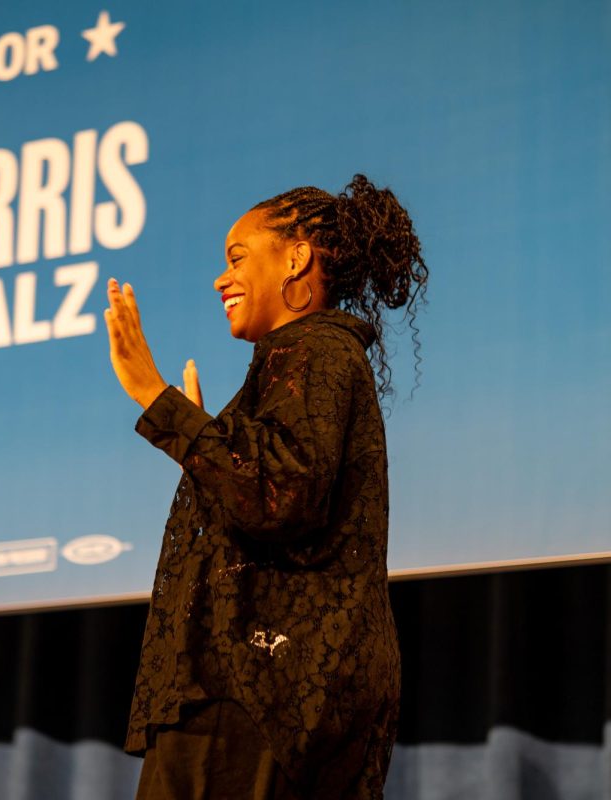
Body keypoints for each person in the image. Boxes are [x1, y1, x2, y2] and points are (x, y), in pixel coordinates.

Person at [103, 174, 428, 799]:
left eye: (237, 257)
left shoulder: (319, 353)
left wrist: (158, 399)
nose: (221, 279)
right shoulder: (301, 359)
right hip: (271, 692)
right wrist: (201, 447)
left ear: (297, 257)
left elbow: (281, 494)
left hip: (260, 691)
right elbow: (269, 494)